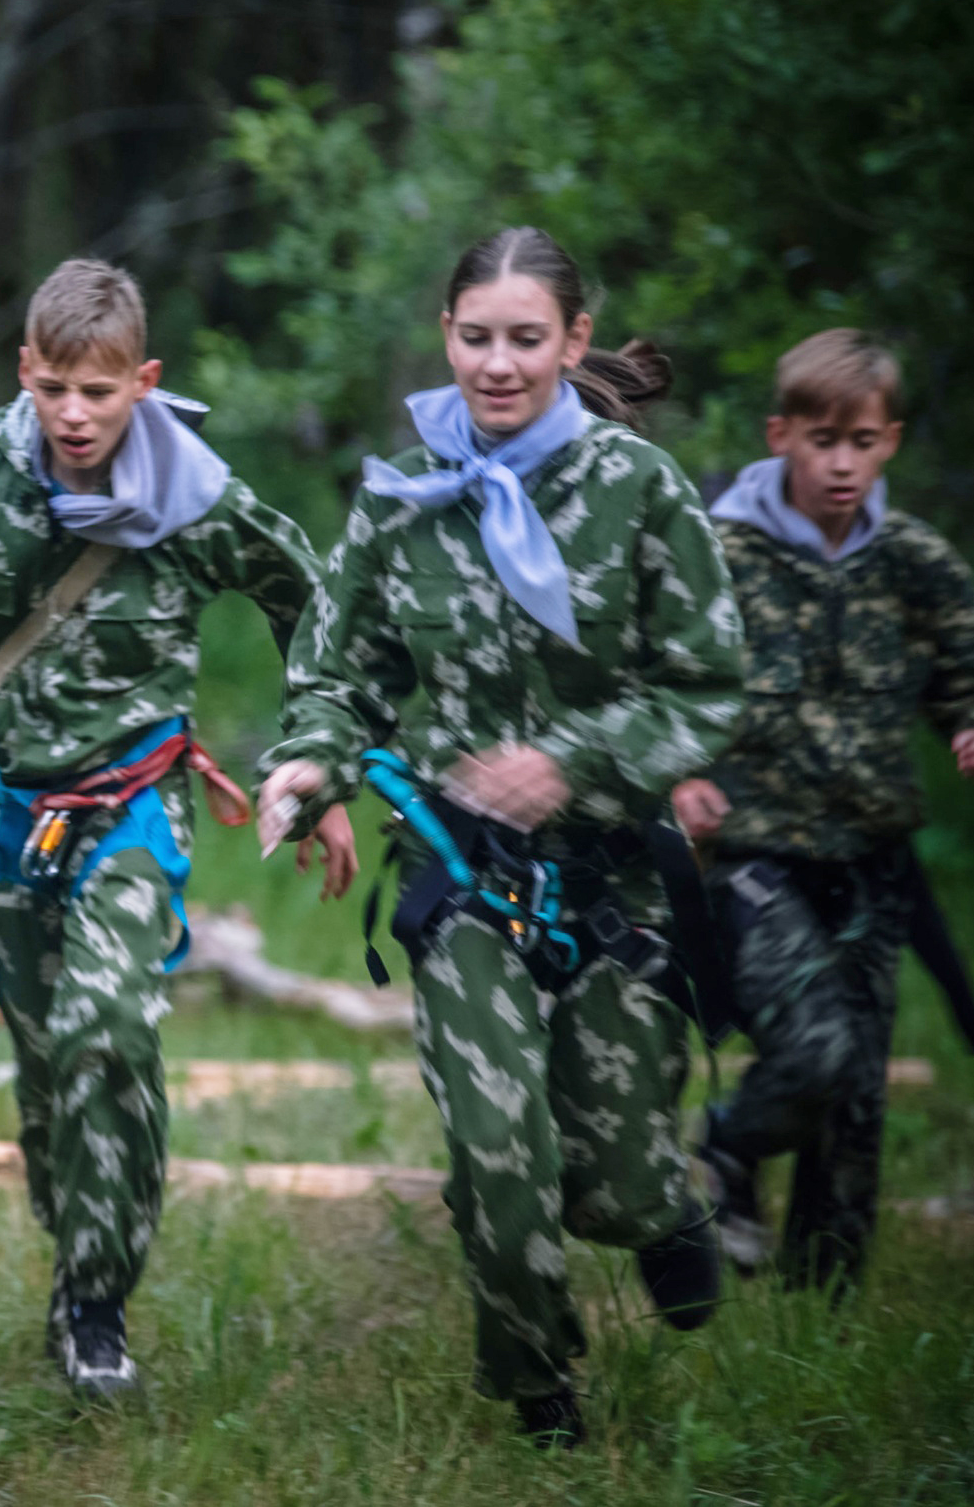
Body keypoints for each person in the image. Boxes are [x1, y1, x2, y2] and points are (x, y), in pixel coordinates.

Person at [256, 226, 741, 1449]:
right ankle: (540, 1393)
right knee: (498, 1150)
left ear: (573, 343)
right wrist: (306, 767)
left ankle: (668, 1211)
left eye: (526, 339)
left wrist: (573, 760)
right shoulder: (399, 497)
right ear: (447, 338)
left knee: (610, 1179)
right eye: (476, 338)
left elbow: (710, 684)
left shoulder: (638, 491)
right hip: (462, 873)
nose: (498, 364)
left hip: (610, 881)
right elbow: (340, 671)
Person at [0, 258, 354, 1396]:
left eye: (98, 393)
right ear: (23, 371)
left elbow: (313, 600)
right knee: (53, 1067)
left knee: (111, 1030)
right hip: (3, 816)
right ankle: (73, 1256)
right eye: (52, 387)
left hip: (133, 806)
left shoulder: (195, 497)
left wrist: (317, 752)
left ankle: (99, 1301)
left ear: (143, 383)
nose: (73, 414)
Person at [673, 330, 974, 1291]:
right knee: (817, 1048)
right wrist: (678, 777)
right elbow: (660, 675)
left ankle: (821, 1314)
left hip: (870, 861)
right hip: (752, 858)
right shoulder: (719, 553)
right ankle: (726, 1147)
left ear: (890, 441)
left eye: (862, 441)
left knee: (856, 1105)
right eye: (823, 440)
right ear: (782, 436)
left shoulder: (914, 562)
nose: (842, 462)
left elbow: (971, 674)